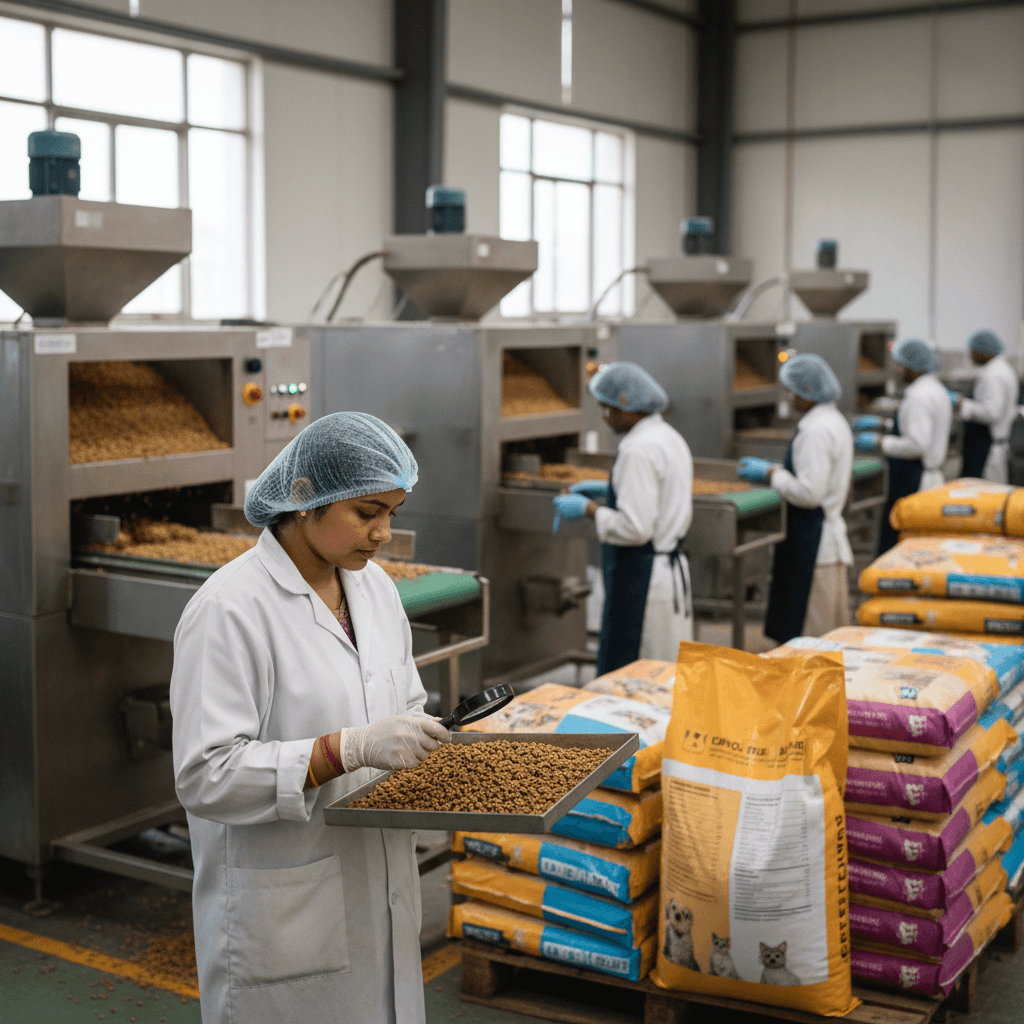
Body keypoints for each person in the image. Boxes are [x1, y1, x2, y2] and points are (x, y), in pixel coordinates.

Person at [169, 412, 448, 1024]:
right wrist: (345, 750)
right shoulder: (229, 610)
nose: (384, 533)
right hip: (285, 902)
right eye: (367, 512)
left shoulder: (373, 589)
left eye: (393, 513)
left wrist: (426, 744)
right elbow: (204, 775)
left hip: (378, 878)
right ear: (303, 498)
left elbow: (404, 703)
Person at [552, 361, 693, 675]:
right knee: (664, 671)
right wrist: (612, 488)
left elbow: (635, 529)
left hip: (642, 580)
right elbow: (659, 490)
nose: (605, 417)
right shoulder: (668, 436)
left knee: (636, 675)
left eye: (609, 409)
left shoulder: (636, 449)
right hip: (666, 570)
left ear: (628, 406)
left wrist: (588, 509)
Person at [735, 353, 853, 644]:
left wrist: (773, 474)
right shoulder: (834, 420)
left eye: (792, 390)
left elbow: (809, 494)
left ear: (808, 391)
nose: (789, 396)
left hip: (814, 545)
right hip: (824, 538)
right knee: (831, 633)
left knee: (811, 641)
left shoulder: (815, 430)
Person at [852, 338, 951, 555]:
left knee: (901, 543)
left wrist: (879, 442)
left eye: (901, 364)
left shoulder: (918, 396)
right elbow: (921, 429)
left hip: (913, 481)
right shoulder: (934, 389)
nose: (898, 369)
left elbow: (917, 445)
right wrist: (886, 425)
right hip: (925, 476)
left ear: (912, 367)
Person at [951, 329, 1019, 482]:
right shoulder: (1002, 369)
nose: (971, 355)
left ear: (983, 351)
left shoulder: (993, 374)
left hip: (986, 449)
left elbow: (991, 413)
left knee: (980, 497)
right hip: (993, 444)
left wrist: (961, 403)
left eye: (973, 351)